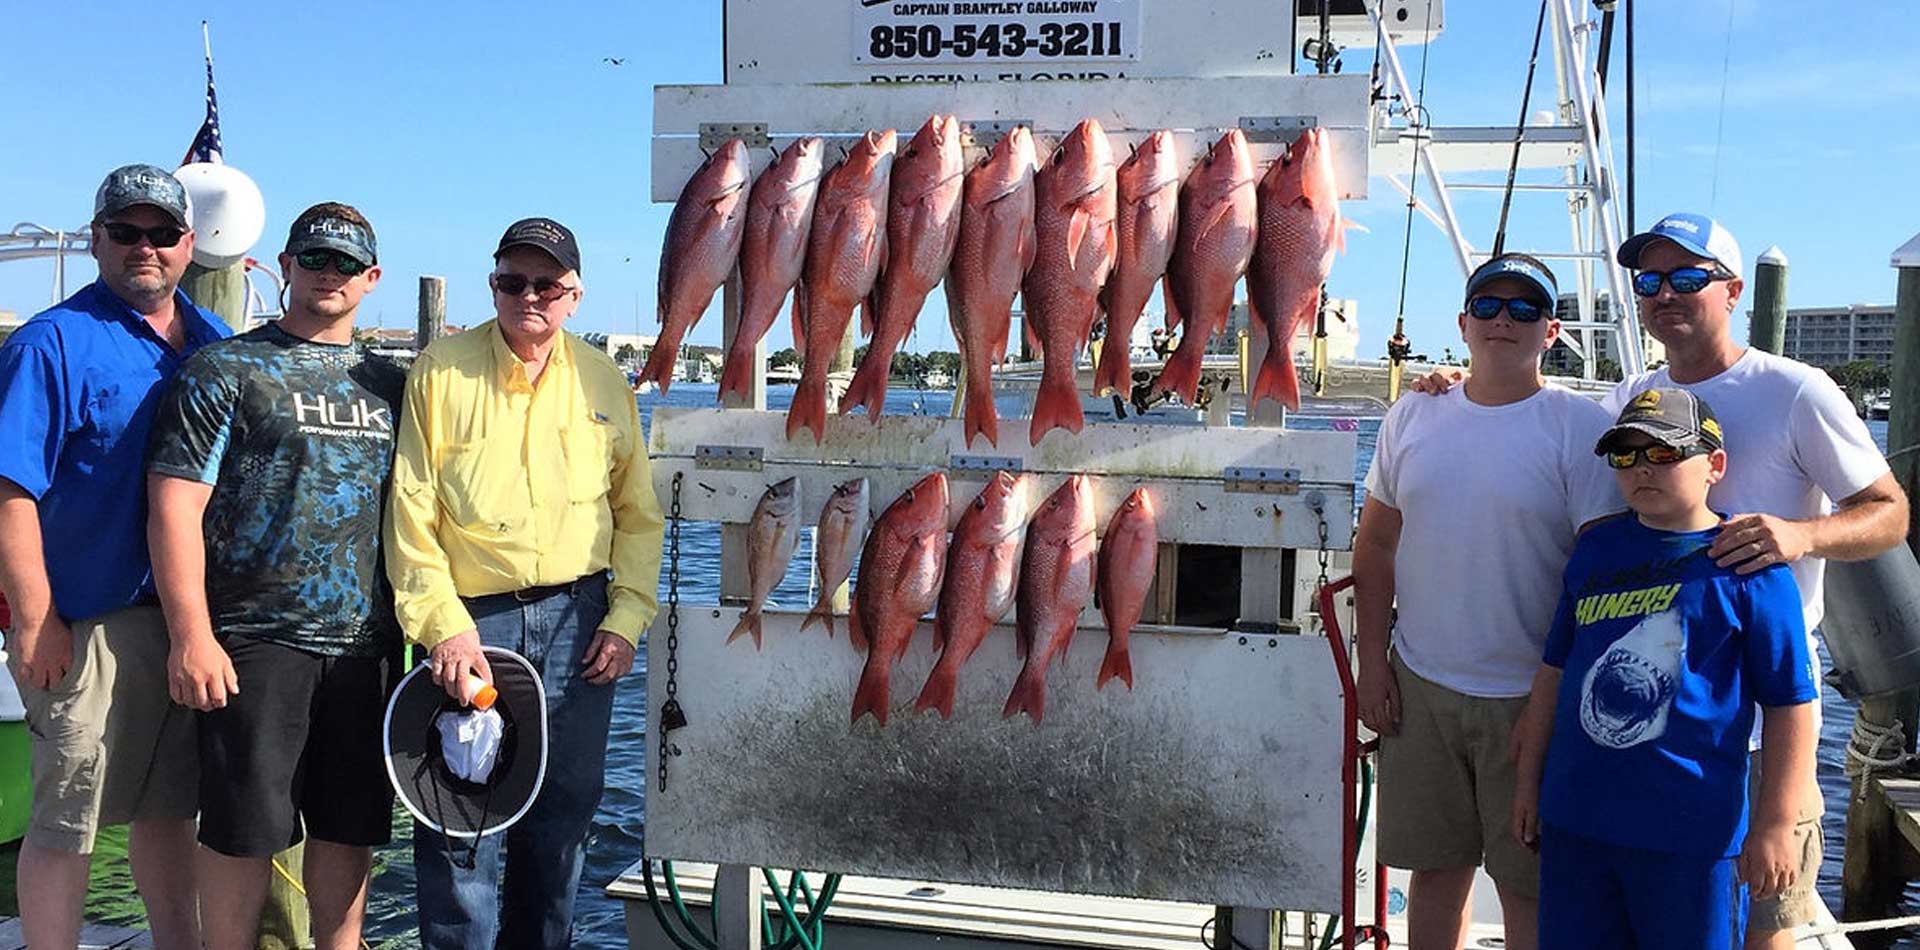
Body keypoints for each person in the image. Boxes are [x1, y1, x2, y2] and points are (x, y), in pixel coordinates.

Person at [1414, 213, 1908, 945]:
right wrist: (1465, 379)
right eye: (1649, 281)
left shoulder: (1798, 390)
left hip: (1757, 734)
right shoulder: (1628, 398)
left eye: (1687, 277)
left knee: (1763, 922)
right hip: (1627, 759)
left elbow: (1889, 513)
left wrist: (1802, 534)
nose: (1665, 293)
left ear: (1734, 290)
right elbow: (1542, 419)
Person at [385, 217, 666, 949]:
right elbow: (410, 512)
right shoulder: (439, 372)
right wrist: (442, 624)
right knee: (461, 823)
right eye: (514, 281)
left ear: (574, 294)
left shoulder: (606, 380)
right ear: (493, 286)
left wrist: (627, 615)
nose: (529, 296)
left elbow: (638, 514)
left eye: (547, 284)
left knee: (564, 822)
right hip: (473, 628)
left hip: (584, 620)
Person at [145, 203, 404, 950]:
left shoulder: (393, 384)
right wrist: (190, 635)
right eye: (316, 258)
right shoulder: (224, 368)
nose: (331, 274)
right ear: (284, 265)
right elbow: (173, 507)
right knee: (239, 834)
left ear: (371, 279)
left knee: (347, 830)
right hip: (255, 642)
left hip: (367, 646)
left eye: (347, 265)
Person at [1353, 253, 1621, 950]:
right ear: (1464, 323)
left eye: (1526, 310)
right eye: (1491, 307)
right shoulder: (1412, 413)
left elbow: (1597, 577)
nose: (1506, 321)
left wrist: (1552, 697)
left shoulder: (1578, 428)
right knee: (1435, 877)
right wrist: (1372, 666)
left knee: (1527, 885)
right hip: (1420, 685)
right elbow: (1376, 545)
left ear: (1552, 331)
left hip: (1532, 697)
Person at [0, 164, 230, 950]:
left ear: (188, 245)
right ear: (96, 238)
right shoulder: (49, 344)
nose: (144, 248)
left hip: (185, 621)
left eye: (161, 234)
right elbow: (12, 492)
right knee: (67, 818)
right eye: (125, 233)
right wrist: (35, 621)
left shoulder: (215, 344)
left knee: (171, 809)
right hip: (86, 624)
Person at [1512, 388, 1818, 947]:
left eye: (1663, 453)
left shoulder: (1750, 567)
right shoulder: (1596, 549)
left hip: (1692, 836)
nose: (1641, 469)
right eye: (1625, 455)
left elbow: (1791, 704)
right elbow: (1554, 671)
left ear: (1714, 466)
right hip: (1578, 823)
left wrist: (1775, 823)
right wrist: (1529, 783)